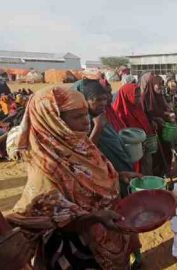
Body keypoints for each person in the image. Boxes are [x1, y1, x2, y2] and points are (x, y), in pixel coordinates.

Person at [7, 87, 138, 269]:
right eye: (77, 117)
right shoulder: (46, 166)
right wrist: (93, 217)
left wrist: (118, 176)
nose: (87, 122)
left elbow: (91, 175)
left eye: (86, 115)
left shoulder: (81, 145)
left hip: (109, 230)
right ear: (54, 121)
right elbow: (52, 211)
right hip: (78, 249)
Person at [82, 81, 139, 195]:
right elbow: (85, 153)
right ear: (86, 100)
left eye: (104, 99)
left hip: (120, 165)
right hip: (105, 170)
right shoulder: (85, 122)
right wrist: (98, 127)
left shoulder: (101, 115)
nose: (103, 103)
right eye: (97, 100)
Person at [113, 82, 155, 176]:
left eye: (139, 96)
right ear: (127, 96)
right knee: (136, 174)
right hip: (132, 151)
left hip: (144, 146)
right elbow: (122, 134)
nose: (138, 99)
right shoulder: (119, 113)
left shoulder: (138, 107)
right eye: (135, 97)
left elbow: (144, 123)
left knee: (147, 170)